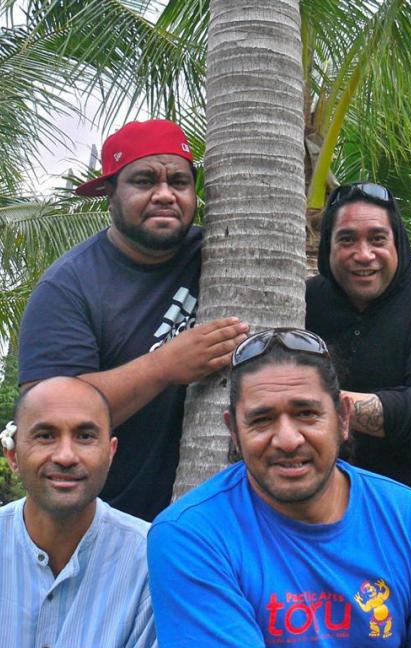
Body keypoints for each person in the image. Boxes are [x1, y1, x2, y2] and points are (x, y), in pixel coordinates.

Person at [147, 329, 411, 648]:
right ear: (233, 432)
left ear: (343, 419)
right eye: (261, 420)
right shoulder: (192, 535)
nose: (287, 439)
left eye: (306, 414)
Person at [18, 118, 248, 521]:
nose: (164, 194)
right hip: (111, 520)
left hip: (221, 515)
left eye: (178, 182)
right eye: (144, 181)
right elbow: (44, 416)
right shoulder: (69, 287)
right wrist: (164, 367)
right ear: (110, 194)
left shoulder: (226, 253)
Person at [305, 182, 411, 526]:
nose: (363, 255)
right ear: (327, 248)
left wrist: (311, 404)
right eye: (346, 239)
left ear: (398, 243)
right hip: (316, 506)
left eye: (377, 239)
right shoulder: (304, 301)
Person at [0, 376, 158, 648]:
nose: (65, 456)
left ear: (110, 454)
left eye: (84, 436)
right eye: (45, 436)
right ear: (13, 455)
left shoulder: (149, 561)